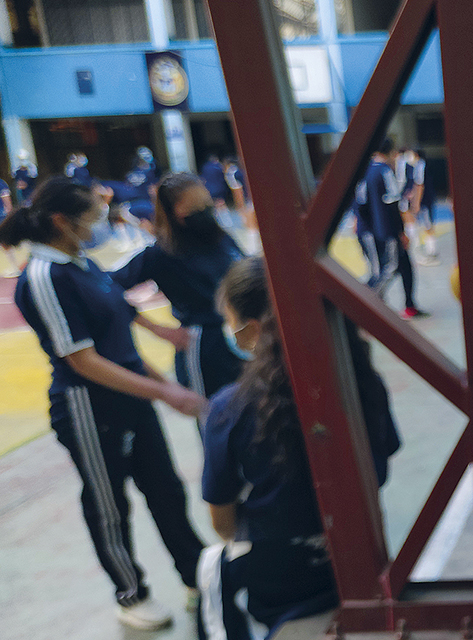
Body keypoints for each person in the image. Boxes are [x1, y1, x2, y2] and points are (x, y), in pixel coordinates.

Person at [0, 177, 207, 631]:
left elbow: (122, 344)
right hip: (89, 409)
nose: (101, 225)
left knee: (166, 491)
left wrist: (163, 381)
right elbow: (84, 361)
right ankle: (131, 594)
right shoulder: (44, 278)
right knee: (109, 504)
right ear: (62, 221)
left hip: (132, 398)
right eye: (93, 217)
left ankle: (197, 576)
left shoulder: (83, 264)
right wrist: (166, 391)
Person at [199, 256, 401, 639]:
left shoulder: (231, 408)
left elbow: (222, 521)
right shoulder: (361, 380)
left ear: (252, 329)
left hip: (281, 588)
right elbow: (382, 466)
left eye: (231, 323)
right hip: (364, 562)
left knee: (213, 569)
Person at [110, 173, 247, 406]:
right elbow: (105, 289)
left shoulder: (221, 239)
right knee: (216, 419)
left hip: (244, 337)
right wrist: (158, 330)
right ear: (174, 213)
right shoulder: (160, 254)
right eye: (194, 206)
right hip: (205, 348)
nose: (204, 210)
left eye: (206, 203)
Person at [356, 139, 422, 318]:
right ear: (391, 152)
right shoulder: (384, 172)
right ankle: (366, 303)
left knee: (403, 266)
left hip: (376, 230)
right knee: (388, 268)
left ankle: (409, 305)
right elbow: (392, 204)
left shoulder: (365, 170)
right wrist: (400, 232)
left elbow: (361, 205)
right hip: (386, 231)